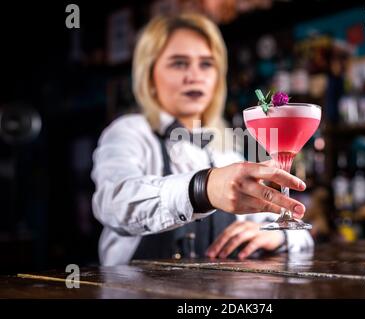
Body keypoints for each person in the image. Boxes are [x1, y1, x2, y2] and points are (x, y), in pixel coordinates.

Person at [91, 12, 313, 266]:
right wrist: (202, 188)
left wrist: (279, 236)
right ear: (149, 76)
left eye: (206, 64)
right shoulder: (129, 132)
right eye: (179, 63)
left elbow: (302, 236)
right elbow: (113, 204)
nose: (194, 76)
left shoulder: (226, 150)